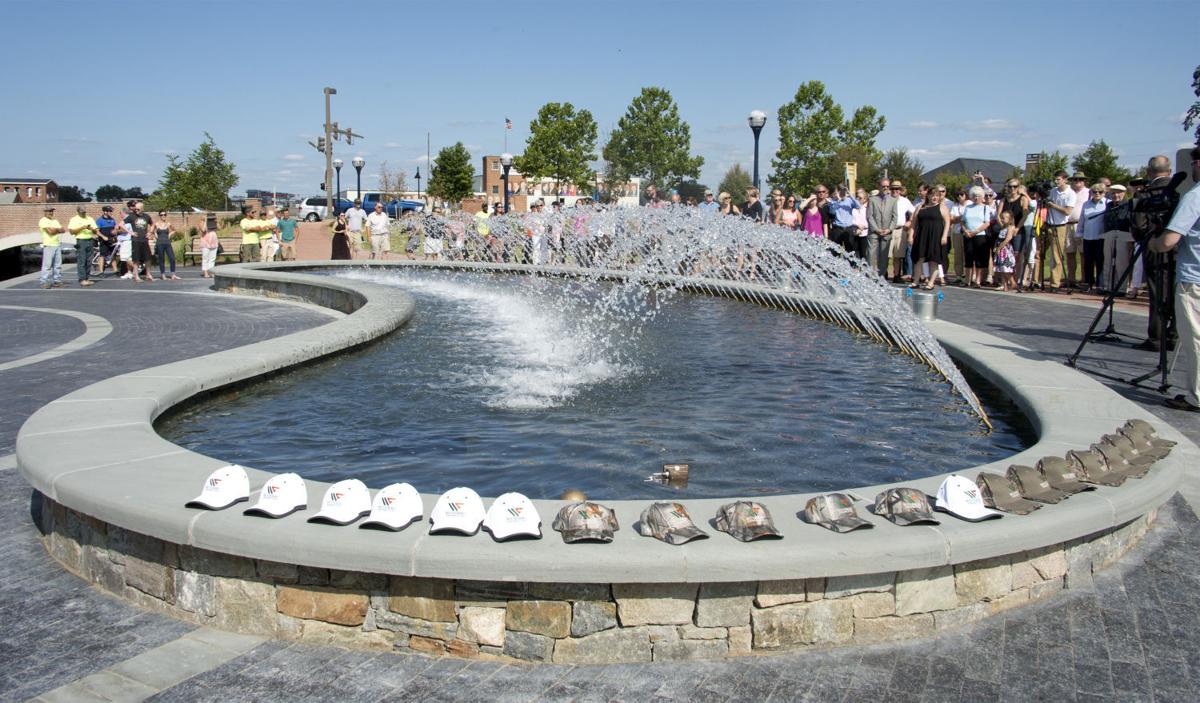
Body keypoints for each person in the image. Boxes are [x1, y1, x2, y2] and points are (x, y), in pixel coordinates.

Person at [1149, 146, 1200, 411]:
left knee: (1195, 338)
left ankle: (1197, 396)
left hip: (1194, 279)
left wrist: (1153, 243)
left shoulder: (1195, 195)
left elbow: (1169, 240)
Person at [908, 185, 950, 289]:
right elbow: (913, 223)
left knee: (934, 259)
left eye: (937, 195)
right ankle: (916, 281)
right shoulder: (920, 207)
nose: (934, 197)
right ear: (928, 196)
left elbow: (947, 222)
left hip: (936, 236)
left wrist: (944, 236)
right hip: (922, 235)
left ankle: (931, 282)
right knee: (919, 258)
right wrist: (910, 235)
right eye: (932, 195)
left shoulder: (942, 207)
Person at [1043, 170, 1077, 291]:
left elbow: (1068, 211)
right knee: (1040, 252)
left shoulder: (1071, 193)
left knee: (1057, 256)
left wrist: (1053, 205)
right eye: (1055, 179)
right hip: (1049, 223)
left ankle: (1055, 283)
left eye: (1058, 179)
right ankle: (1037, 280)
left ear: (1065, 180)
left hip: (1060, 226)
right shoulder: (1053, 191)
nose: (1056, 182)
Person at [960, 186, 994, 288]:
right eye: (974, 196)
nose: (976, 198)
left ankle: (978, 280)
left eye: (978, 196)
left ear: (982, 197)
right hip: (968, 235)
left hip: (980, 235)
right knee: (968, 256)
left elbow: (987, 223)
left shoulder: (985, 207)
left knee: (979, 258)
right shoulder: (968, 207)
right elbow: (962, 221)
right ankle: (967, 280)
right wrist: (966, 231)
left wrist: (975, 232)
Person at [1079, 184, 1108, 292]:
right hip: (1088, 236)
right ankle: (1088, 282)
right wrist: (1079, 233)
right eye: (1094, 192)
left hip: (1101, 237)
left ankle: (1100, 284)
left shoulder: (1107, 203)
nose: (1097, 194)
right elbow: (1082, 219)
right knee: (1088, 261)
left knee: (1100, 261)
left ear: (1104, 193)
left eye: (1100, 192)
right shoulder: (1086, 204)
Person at [1065, 172, 1090, 288]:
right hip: (1067, 224)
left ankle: (1084, 279)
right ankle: (1071, 279)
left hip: (1081, 225)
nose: (1077, 181)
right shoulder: (1068, 192)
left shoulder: (1089, 192)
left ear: (1084, 181)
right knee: (1070, 253)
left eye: (1080, 179)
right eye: (1075, 179)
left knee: (1083, 254)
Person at [867, 177, 896, 277]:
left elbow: (895, 217)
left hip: (887, 232)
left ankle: (881, 276)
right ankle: (870, 276)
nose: (885, 188)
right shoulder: (872, 200)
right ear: (879, 186)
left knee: (884, 256)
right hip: (874, 232)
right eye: (883, 186)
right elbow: (869, 216)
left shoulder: (893, 201)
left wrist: (889, 229)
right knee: (871, 255)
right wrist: (876, 229)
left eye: (887, 186)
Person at [67, 205, 99, 287]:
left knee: (89, 261)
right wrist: (82, 227)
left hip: (90, 240)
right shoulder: (74, 219)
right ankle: (82, 279)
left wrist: (92, 229)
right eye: (82, 212)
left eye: (84, 212)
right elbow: (71, 231)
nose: (84, 213)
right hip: (81, 241)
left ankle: (87, 278)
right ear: (78, 212)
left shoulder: (90, 218)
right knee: (82, 260)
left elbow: (96, 230)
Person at [125, 201, 155, 282]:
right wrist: (130, 232)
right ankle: (136, 276)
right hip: (136, 240)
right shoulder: (131, 216)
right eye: (135, 209)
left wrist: (150, 232)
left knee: (148, 258)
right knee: (136, 260)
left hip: (144, 240)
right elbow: (120, 224)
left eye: (138, 209)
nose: (136, 210)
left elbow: (152, 224)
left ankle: (148, 274)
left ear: (142, 209)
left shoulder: (146, 216)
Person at [891, 182, 914, 282]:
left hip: (900, 229)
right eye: (893, 189)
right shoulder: (886, 199)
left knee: (898, 255)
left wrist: (910, 221)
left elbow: (914, 212)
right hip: (888, 230)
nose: (895, 191)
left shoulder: (905, 201)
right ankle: (883, 274)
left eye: (897, 189)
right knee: (885, 255)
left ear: (900, 190)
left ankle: (896, 275)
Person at [38, 205, 65, 289]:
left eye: (51, 211)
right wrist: (57, 229)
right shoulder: (43, 221)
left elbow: (63, 230)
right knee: (47, 265)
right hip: (48, 244)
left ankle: (57, 281)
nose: (50, 212)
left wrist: (55, 229)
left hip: (57, 244)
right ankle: (43, 281)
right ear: (45, 212)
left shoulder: (55, 220)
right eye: (49, 211)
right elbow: (50, 232)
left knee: (58, 265)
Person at [827, 185, 861, 252]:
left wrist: (850, 194)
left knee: (850, 251)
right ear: (837, 192)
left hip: (848, 229)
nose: (842, 193)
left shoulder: (849, 200)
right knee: (836, 251)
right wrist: (838, 200)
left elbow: (858, 206)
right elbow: (832, 212)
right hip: (838, 228)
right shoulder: (833, 201)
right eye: (840, 191)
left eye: (843, 191)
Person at [993, 210, 1018, 292]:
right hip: (1000, 248)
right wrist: (996, 247)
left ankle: (1013, 282)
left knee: (1005, 267)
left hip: (1005, 250)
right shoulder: (1003, 227)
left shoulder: (1011, 227)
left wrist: (999, 248)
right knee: (1001, 268)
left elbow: (1008, 239)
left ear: (1009, 219)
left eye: (1003, 218)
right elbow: (998, 238)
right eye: (1001, 218)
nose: (1002, 220)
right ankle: (1005, 285)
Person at [948, 190, 969, 284]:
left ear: (965, 195)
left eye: (961, 194)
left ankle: (967, 275)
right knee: (958, 254)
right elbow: (952, 219)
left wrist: (959, 218)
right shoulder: (955, 206)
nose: (960, 196)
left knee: (967, 254)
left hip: (968, 231)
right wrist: (961, 217)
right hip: (957, 232)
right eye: (957, 195)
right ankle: (958, 275)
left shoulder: (970, 204)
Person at [153, 210, 179, 280]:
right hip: (159, 243)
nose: (163, 216)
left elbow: (174, 230)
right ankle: (163, 275)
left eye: (164, 214)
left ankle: (173, 274)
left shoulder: (168, 224)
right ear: (159, 216)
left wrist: (170, 234)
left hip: (167, 243)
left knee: (172, 258)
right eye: (161, 215)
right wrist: (155, 236)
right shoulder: (156, 224)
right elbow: (152, 231)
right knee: (161, 259)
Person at [95, 205, 119, 277]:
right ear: (105, 212)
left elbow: (115, 228)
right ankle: (101, 272)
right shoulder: (99, 220)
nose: (111, 212)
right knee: (102, 255)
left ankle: (115, 270)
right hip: (103, 240)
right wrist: (103, 237)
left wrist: (115, 231)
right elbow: (96, 231)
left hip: (111, 240)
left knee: (112, 255)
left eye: (111, 211)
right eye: (109, 211)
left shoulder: (112, 219)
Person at [851, 188, 870, 259]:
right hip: (854, 233)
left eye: (860, 198)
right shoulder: (853, 209)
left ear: (865, 199)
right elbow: (850, 220)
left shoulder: (868, 209)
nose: (858, 199)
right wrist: (857, 225)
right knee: (854, 254)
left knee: (863, 254)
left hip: (865, 234)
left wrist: (862, 228)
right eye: (857, 197)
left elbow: (870, 221)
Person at [199, 212, 219, 278]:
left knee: (212, 259)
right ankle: (205, 272)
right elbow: (203, 230)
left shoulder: (213, 222)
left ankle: (211, 272)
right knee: (205, 258)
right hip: (206, 242)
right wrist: (205, 220)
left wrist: (216, 221)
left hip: (213, 242)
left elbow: (219, 228)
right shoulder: (201, 222)